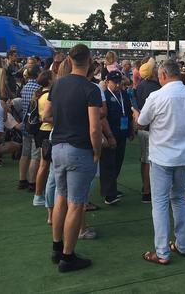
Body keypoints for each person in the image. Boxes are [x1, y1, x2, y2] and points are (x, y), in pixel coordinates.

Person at [135, 59, 185, 265]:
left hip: (162, 156)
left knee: (160, 203)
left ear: (163, 75)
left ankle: (162, 251)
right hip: (184, 156)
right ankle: (183, 244)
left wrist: (136, 114)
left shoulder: (156, 96)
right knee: (179, 198)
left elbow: (141, 122)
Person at [44, 44, 102, 273]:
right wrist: (97, 150)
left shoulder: (58, 84)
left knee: (61, 198)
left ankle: (57, 248)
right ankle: (68, 257)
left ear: (70, 59)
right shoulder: (91, 89)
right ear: (89, 60)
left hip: (58, 146)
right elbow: (94, 128)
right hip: (79, 148)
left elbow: (46, 114)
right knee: (76, 204)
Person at [100, 70, 133, 205]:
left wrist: (131, 129)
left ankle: (112, 187)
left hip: (122, 132)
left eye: (120, 82)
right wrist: (106, 135)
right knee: (108, 163)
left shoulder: (124, 94)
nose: (118, 85)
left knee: (118, 162)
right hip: (110, 133)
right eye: (115, 82)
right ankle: (109, 193)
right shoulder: (105, 96)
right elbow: (103, 117)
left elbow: (129, 113)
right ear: (108, 82)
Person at [135, 58, 161, 203]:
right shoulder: (154, 87)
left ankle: (146, 188)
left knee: (145, 159)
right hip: (151, 128)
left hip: (144, 127)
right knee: (149, 160)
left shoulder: (140, 85)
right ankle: (147, 190)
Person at [18, 65, 41, 192]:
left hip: (25, 123)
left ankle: (22, 180)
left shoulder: (25, 87)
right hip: (35, 124)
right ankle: (32, 182)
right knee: (35, 156)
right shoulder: (39, 88)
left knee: (24, 154)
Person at [33, 71, 53, 206]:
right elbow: (46, 116)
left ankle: (39, 194)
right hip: (47, 131)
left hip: (42, 131)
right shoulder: (48, 96)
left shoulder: (40, 95)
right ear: (50, 80)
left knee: (44, 165)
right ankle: (39, 195)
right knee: (45, 165)